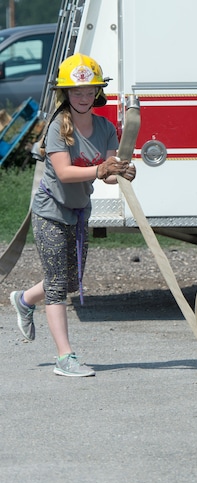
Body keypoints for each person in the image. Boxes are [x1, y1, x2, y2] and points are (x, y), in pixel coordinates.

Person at [9, 53, 136, 376]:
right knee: (56, 285)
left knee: (66, 282)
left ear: (97, 93)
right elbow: (64, 173)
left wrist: (122, 171)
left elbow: (107, 173)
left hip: (79, 212)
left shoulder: (106, 128)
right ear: (65, 93)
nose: (83, 96)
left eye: (89, 90)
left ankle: (24, 300)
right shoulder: (57, 128)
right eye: (76, 91)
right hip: (50, 212)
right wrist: (101, 169)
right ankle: (65, 357)